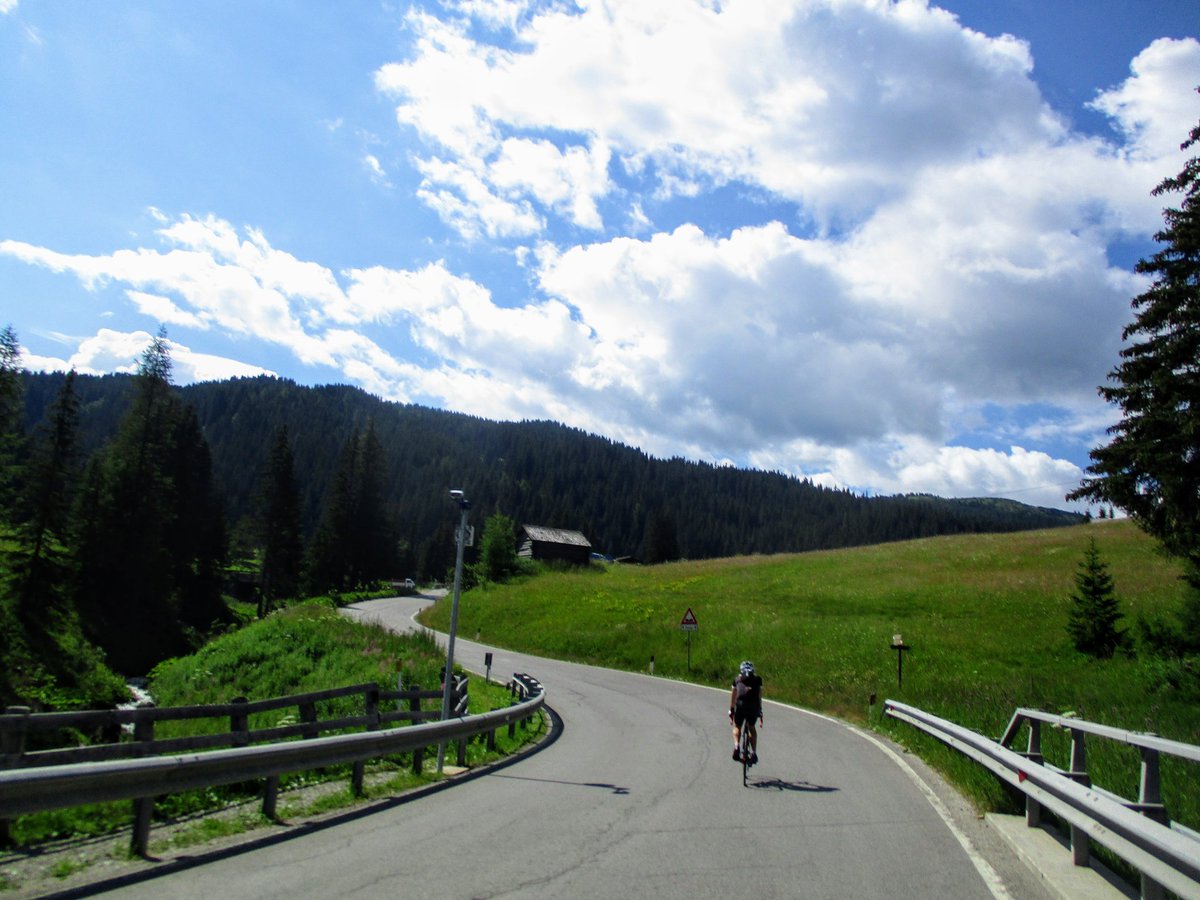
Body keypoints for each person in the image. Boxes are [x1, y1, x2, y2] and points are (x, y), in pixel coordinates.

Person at [730, 660, 763, 764]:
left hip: (741, 705)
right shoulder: (758, 679)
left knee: (737, 726)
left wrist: (731, 709)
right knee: (751, 727)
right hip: (753, 706)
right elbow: (759, 696)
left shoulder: (737, 679)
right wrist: (760, 710)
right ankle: (753, 753)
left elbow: (733, 695)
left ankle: (737, 746)